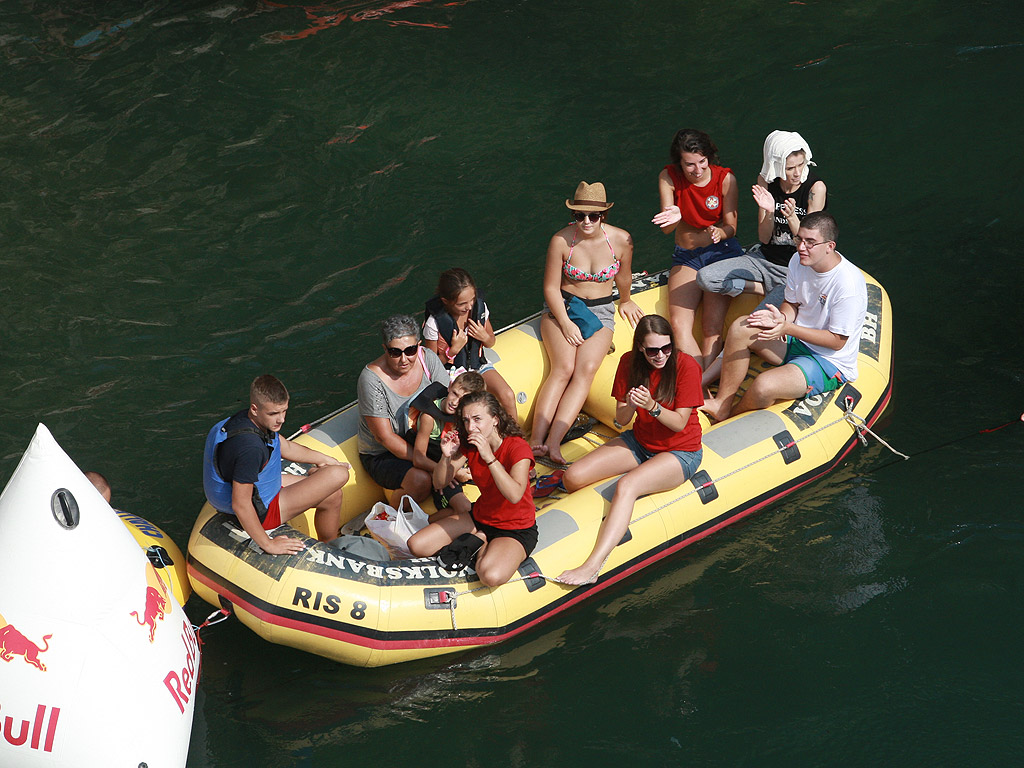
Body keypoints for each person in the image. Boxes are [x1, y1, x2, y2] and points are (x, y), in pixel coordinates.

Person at [558, 315, 704, 585]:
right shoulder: (628, 363)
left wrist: (652, 406)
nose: (660, 355)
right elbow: (622, 419)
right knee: (573, 476)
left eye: (666, 348)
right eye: (652, 351)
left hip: (680, 451)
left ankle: (593, 565)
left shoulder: (686, 366)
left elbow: (680, 423)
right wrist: (633, 403)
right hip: (641, 443)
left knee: (627, 486)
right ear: (640, 348)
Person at [701, 212, 866, 422]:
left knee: (763, 386)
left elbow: (837, 342)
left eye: (810, 242)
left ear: (830, 246)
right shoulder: (798, 260)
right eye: (800, 239)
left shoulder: (847, 284)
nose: (801, 247)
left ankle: (729, 419)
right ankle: (722, 403)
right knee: (740, 327)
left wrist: (788, 329)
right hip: (795, 339)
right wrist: (782, 319)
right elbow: (792, 302)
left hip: (828, 361)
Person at [532, 181, 644, 466]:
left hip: (601, 311)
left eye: (592, 216)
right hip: (564, 307)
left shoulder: (621, 240)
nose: (586, 221)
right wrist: (566, 322)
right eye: (579, 215)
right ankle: (535, 439)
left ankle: (554, 443)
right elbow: (550, 288)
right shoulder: (561, 241)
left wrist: (627, 300)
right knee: (563, 368)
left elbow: (624, 276)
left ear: (603, 216)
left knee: (586, 370)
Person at [203, 375, 350, 555]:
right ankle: (329, 543)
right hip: (261, 510)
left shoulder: (245, 420)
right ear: (255, 408)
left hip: (263, 486)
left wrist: (323, 459)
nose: (281, 420)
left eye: (284, 411)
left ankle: (329, 545)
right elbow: (241, 504)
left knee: (332, 494)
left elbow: (285, 446)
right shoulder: (250, 449)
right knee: (339, 475)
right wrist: (269, 544)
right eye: (273, 414)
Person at [408, 391, 537, 588]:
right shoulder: (470, 444)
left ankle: (482, 542)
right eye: (466, 420)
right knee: (417, 546)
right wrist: (446, 456)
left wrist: (489, 458)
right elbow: (440, 483)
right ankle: (480, 537)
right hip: (480, 516)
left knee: (490, 576)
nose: (471, 427)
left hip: (515, 528)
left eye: (477, 419)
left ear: (495, 419)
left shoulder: (517, 448)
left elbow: (514, 494)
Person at [696, 130, 828, 318]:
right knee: (705, 278)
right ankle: (762, 287)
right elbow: (764, 238)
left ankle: (778, 288)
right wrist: (770, 211)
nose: (797, 173)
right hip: (764, 259)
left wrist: (791, 217)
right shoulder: (766, 181)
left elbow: (810, 245)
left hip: (795, 270)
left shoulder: (815, 188)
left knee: (755, 323)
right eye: (790, 168)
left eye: (801, 164)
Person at [652, 129, 741, 370]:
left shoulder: (725, 179)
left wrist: (721, 233)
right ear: (679, 162)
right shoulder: (668, 177)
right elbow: (667, 230)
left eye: (702, 162)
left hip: (721, 253)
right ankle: (699, 383)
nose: (698, 170)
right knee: (679, 325)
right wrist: (674, 215)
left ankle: (702, 382)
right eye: (689, 165)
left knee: (712, 327)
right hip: (687, 256)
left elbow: (731, 226)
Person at [358, 314, 450, 506]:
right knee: (421, 480)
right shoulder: (371, 380)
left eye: (410, 350)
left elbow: (446, 403)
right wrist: (427, 463)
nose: (404, 359)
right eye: (395, 352)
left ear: (419, 345)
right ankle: (392, 514)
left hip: (424, 440)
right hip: (384, 454)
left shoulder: (428, 359)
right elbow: (385, 438)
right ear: (385, 349)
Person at [423, 268, 517, 420]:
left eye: (472, 300)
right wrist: (452, 351)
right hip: (451, 374)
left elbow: (491, 342)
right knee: (470, 411)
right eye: (462, 304)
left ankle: (515, 439)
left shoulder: (480, 309)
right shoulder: (434, 324)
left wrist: (484, 336)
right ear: (446, 301)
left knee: (508, 395)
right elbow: (430, 365)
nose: (469, 307)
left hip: (478, 367)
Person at [411, 370, 486, 519]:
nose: (455, 402)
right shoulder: (429, 417)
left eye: (462, 400)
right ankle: (424, 525)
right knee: (464, 507)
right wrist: (452, 473)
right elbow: (418, 458)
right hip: (437, 467)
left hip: (456, 465)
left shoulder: (467, 419)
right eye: (454, 394)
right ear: (450, 386)